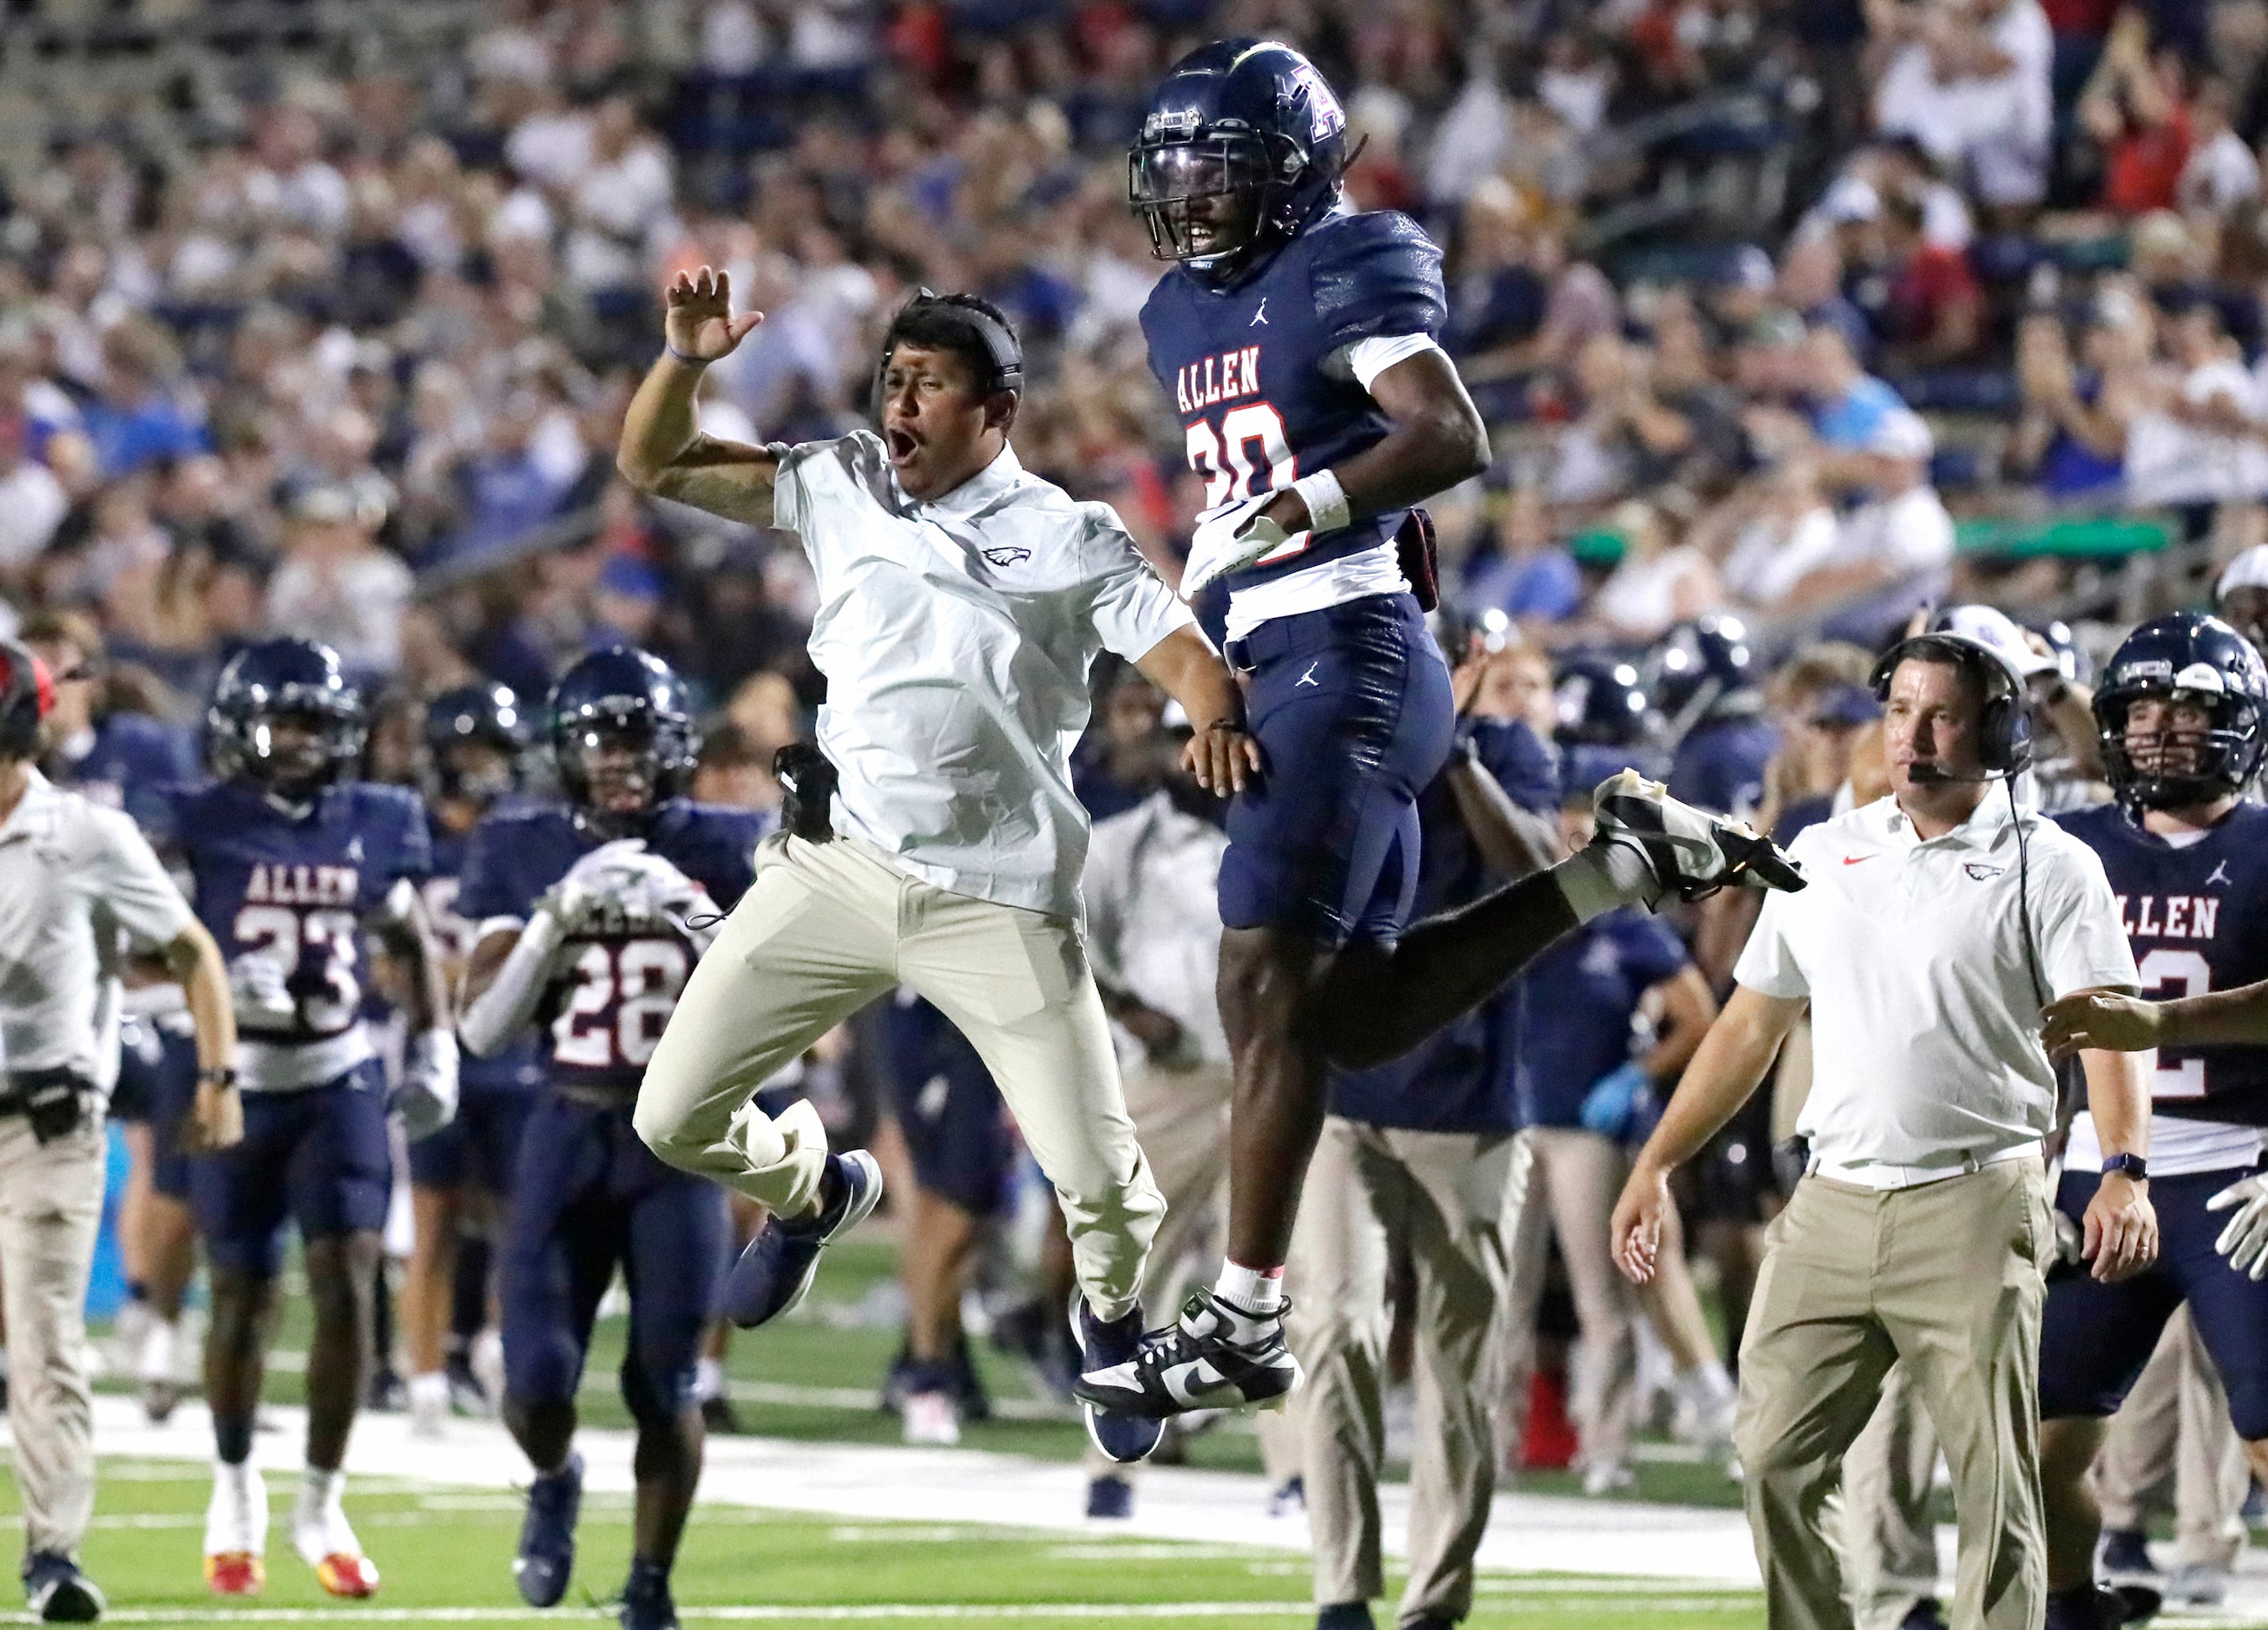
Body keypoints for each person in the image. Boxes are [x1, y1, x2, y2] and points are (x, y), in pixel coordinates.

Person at [1093, 36, 1805, 1421]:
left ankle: (1244, 1313)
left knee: (1261, 989)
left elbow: (1446, 431)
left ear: (1292, 168)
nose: (1189, 192)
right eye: (1174, 164)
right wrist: (1213, 663)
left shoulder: (1345, 261)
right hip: (1287, 651)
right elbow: (1242, 506)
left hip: (1346, 645)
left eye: (1218, 164)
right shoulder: (1177, 311)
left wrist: (1310, 508)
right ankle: (1611, 872)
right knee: (1343, 1015)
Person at [615, 273, 1253, 1471]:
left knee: (1102, 1188)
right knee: (673, 1112)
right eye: (891, 378)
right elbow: (655, 462)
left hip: (996, 900)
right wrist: (683, 360)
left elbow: (1178, 648)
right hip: (838, 869)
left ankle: (1111, 1327)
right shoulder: (842, 478)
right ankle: (812, 1187)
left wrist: (1213, 704)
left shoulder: (1070, 534)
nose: (898, 400)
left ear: (996, 411)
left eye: (928, 383)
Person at [1609, 628, 2157, 1630]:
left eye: (1942, 714)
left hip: (1976, 1196)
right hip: (1832, 1200)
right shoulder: (1825, 851)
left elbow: (2114, 1031)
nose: (1914, 736)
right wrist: (1657, 1159)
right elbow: (1747, 1025)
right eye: (1900, 711)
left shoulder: (2053, 864)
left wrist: (2124, 1166)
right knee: (1771, 1452)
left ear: (1997, 729)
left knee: (1994, 1478)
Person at [455, 646, 764, 1630]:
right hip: (566, 1127)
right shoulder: (521, 846)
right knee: (536, 1380)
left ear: (674, 751)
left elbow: (780, 1008)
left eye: (638, 744)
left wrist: (702, 919)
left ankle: (649, 1587)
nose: (620, 763)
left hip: (678, 1146)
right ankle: (555, 1477)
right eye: (601, 745)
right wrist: (556, 918)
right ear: (566, 754)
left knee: (666, 1381)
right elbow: (480, 1028)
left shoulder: (730, 842)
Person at [164, 637, 455, 1600]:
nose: (298, 742)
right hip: (237, 1079)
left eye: (314, 725)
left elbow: (409, 936)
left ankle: (321, 1501)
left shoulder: (374, 819)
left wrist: (438, 1040)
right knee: (243, 1292)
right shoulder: (199, 822)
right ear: (243, 727)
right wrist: (199, 990)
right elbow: (144, 952)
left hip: (338, 1077)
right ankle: (235, 1490)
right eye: (283, 722)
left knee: (350, 1273)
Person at [1286, 676, 1561, 1630]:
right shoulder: (1334, 741)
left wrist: (1460, 760)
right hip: (1343, 1098)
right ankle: (1341, 1595)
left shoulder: (1506, 751)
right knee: (1334, 1329)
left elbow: (1541, 872)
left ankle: (1435, 1601)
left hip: (1472, 1105)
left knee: (1461, 1365)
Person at [2027, 613, 2268, 1630]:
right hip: (2093, 1173)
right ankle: (2079, 1604)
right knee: (2036, 1448)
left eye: (2195, 708)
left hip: (2239, 1173)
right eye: (2144, 707)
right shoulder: (2064, 845)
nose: (2165, 727)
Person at [0, 636, 240, 1622]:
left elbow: (191, 950)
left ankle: (54, 1555)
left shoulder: (86, 836)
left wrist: (218, 1077)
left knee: (44, 1339)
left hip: (45, 1126)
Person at [19, 610, 201, 1424]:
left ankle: (148, 1309)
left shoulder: (146, 756)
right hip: (48, 1004)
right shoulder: (19, 769)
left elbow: (179, 882)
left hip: (149, 992)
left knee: (174, 1148)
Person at [404, 682, 543, 1438]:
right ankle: (423, 1380)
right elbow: (384, 964)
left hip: (513, 1054)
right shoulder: (409, 836)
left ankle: (495, 1351)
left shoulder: (523, 838)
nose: (485, 768)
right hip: (437, 1056)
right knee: (434, 1225)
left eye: (495, 752)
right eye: (471, 752)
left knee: (519, 1225)